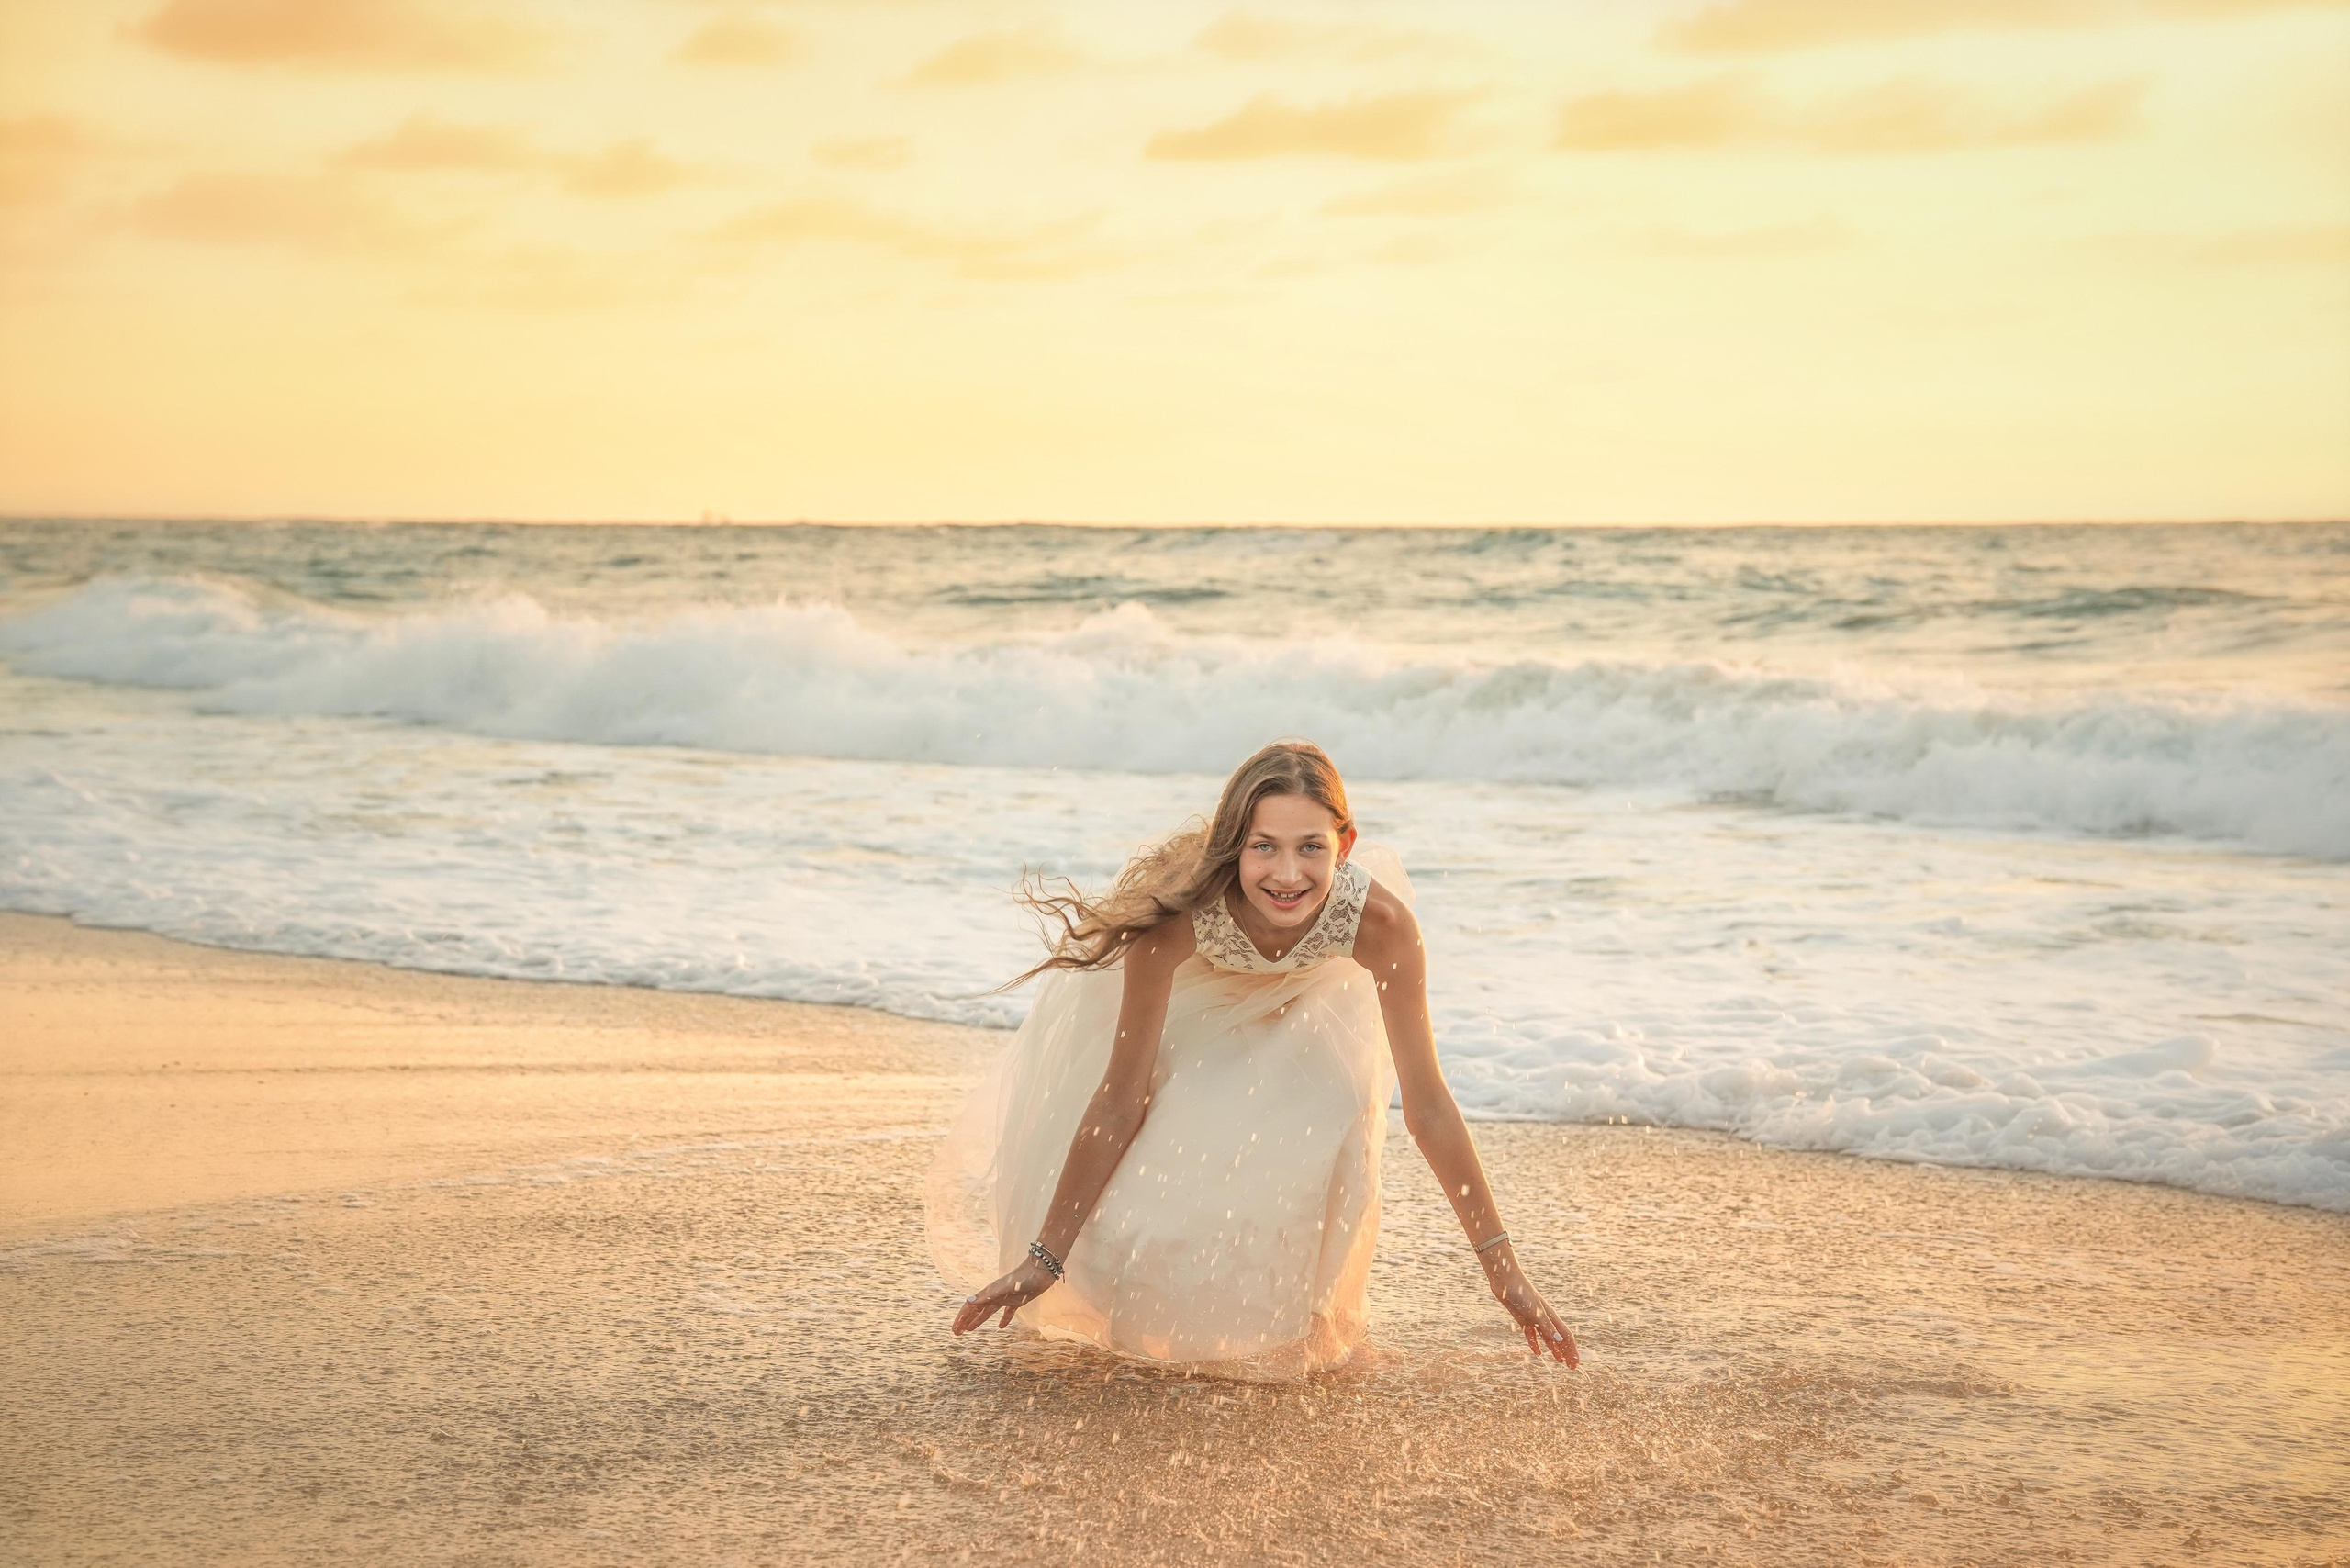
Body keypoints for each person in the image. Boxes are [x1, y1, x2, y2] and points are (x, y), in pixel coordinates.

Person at [926, 741, 1577, 1377]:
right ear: (1233, 846)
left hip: (1312, 994)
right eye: (1263, 847)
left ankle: (1322, 1322)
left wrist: (1503, 1271)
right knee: (1167, 1162)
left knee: (1339, 1101)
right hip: (1198, 998)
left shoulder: (1380, 926)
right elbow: (1122, 1098)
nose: (1288, 875)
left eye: (1311, 848)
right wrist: (1047, 1258)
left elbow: (1429, 1107)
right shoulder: (1176, 919)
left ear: (1343, 846)